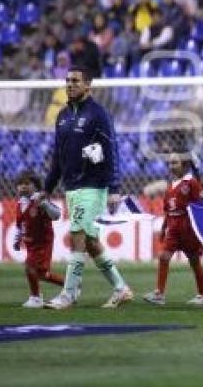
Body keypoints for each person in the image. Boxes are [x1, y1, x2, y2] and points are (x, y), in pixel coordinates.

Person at [43, 66, 133, 309]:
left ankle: (69, 294)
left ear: (87, 86)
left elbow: (111, 148)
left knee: (77, 236)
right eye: (67, 80)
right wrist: (48, 187)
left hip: (93, 185)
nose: (70, 84)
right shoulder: (62, 116)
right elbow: (57, 156)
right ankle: (121, 288)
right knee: (92, 243)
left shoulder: (98, 113)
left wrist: (114, 187)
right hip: (72, 187)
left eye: (75, 81)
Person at [143, 156, 203, 306]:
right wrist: (164, 227)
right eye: (169, 163)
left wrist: (200, 227)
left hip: (187, 227)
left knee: (194, 260)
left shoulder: (190, 182)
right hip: (173, 227)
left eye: (174, 163)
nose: (171, 166)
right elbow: (168, 210)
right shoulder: (171, 185)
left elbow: (199, 202)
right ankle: (159, 294)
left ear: (183, 165)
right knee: (163, 257)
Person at [14, 171, 63, 308]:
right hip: (30, 243)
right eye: (20, 184)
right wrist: (17, 240)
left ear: (35, 186)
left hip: (43, 242)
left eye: (27, 184)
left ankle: (35, 298)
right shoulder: (20, 203)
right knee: (41, 274)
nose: (23, 187)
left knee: (30, 267)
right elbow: (20, 224)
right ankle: (69, 285)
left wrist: (46, 205)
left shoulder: (40, 200)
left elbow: (57, 214)